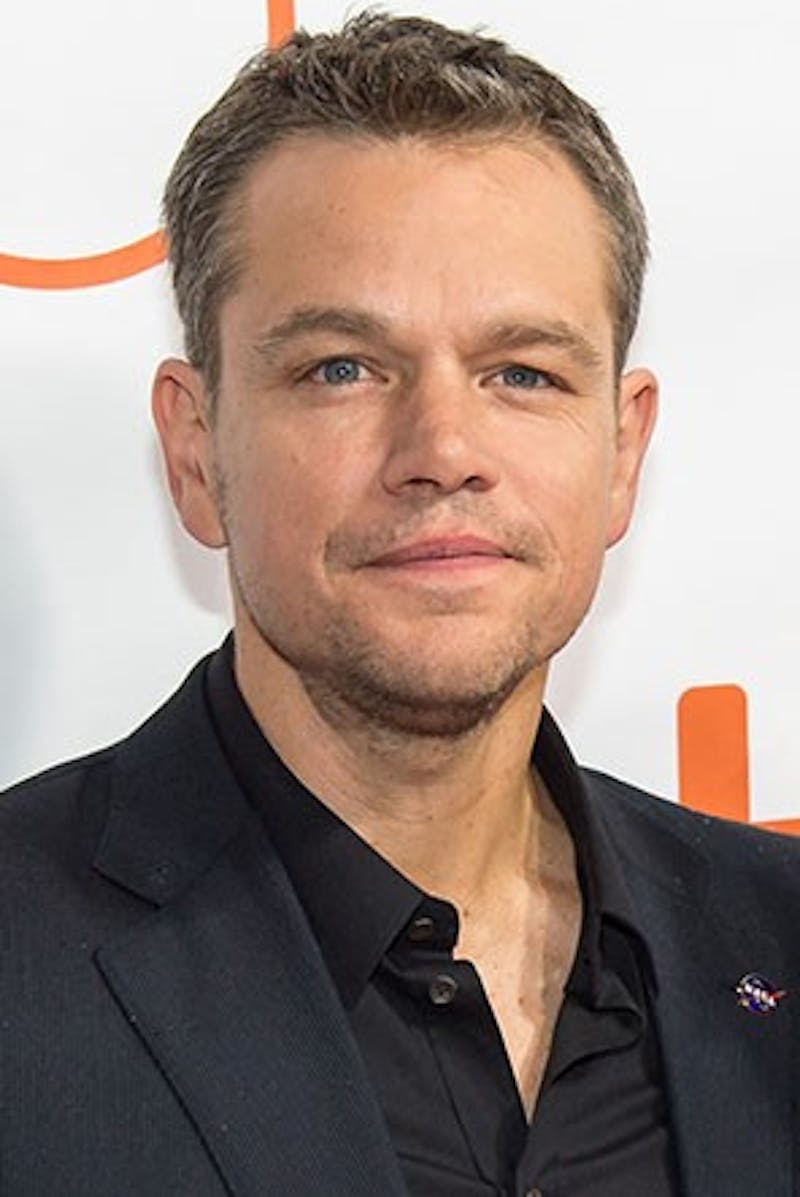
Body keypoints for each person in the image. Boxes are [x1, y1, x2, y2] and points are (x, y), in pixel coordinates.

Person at [1, 13, 797, 1196]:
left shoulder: (774, 938)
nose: (441, 450)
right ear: (194, 450)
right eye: (340, 368)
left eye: (521, 373)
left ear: (621, 453)